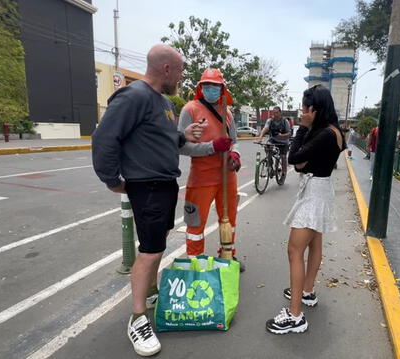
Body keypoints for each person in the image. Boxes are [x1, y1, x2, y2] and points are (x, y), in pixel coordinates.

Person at [92, 45, 231, 356]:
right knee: (151, 252)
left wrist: (188, 136)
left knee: (158, 243)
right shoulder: (134, 96)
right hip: (148, 185)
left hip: (166, 183)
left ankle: (152, 292)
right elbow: (105, 138)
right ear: (167, 69)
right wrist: (112, 179)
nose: (183, 76)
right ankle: (138, 318)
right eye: (181, 70)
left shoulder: (164, 102)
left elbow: (171, 139)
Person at [266, 85, 345, 334]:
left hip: (314, 195)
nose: (302, 112)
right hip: (319, 190)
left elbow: (292, 159)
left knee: (294, 249)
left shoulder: (324, 135)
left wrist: (301, 128)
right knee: (314, 244)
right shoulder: (332, 131)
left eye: (304, 108)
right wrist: (302, 159)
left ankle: (295, 315)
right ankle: (307, 291)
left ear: (315, 109)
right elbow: (299, 163)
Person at [178, 68, 244, 270]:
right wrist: (212, 147)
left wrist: (235, 155)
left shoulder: (228, 113)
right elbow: (181, 146)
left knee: (229, 220)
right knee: (195, 224)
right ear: (200, 87)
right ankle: (195, 262)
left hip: (227, 177)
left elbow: (235, 141)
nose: (211, 90)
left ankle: (227, 257)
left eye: (215, 86)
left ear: (222, 88)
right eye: (207, 86)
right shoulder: (190, 109)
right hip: (201, 178)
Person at [257, 106, 291, 174]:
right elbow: (265, 129)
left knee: (283, 156)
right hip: (273, 140)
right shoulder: (270, 120)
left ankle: (284, 171)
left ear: (280, 113)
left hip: (283, 142)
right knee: (267, 147)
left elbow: (289, 133)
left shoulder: (285, 121)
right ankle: (270, 167)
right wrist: (260, 138)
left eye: (277, 113)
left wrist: (282, 136)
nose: (275, 114)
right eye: (274, 113)